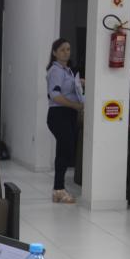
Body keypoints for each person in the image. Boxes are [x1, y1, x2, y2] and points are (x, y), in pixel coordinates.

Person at [45, 38, 84, 204]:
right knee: (64, 150)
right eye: (62, 49)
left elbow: (71, 87)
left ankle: (58, 189)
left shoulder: (68, 71)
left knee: (66, 150)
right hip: (59, 114)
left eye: (68, 49)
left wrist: (80, 83)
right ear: (54, 53)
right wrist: (75, 105)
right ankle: (58, 189)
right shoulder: (55, 70)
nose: (66, 52)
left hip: (69, 114)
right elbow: (55, 96)